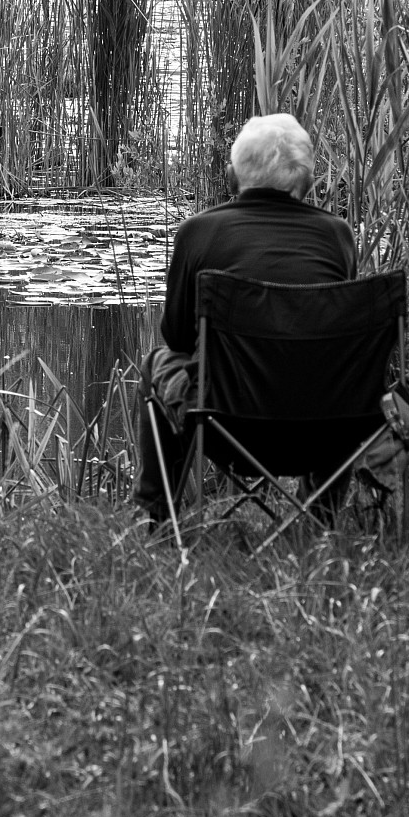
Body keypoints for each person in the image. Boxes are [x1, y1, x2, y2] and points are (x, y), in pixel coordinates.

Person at [135, 112, 356, 523]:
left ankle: (158, 516)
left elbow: (178, 339)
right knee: (337, 378)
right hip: (325, 430)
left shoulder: (198, 233)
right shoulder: (337, 236)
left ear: (234, 174)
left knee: (157, 364)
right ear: (306, 180)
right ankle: (320, 515)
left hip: (225, 426)